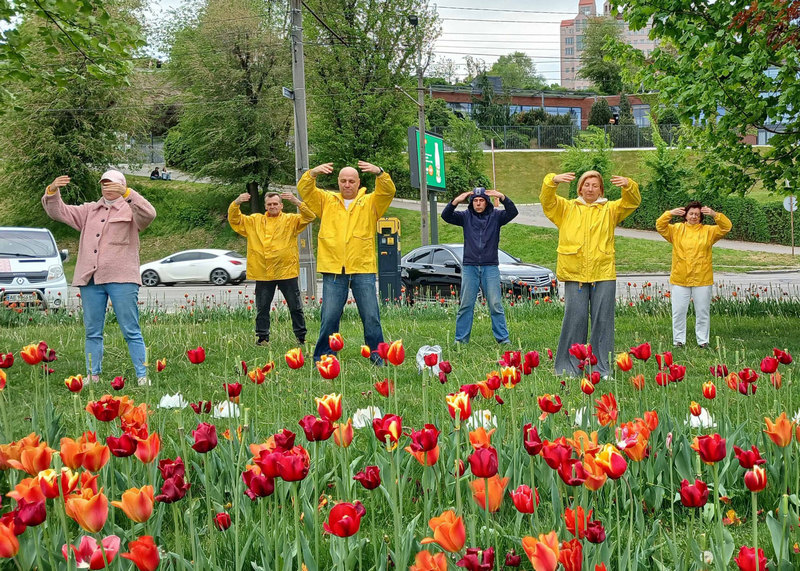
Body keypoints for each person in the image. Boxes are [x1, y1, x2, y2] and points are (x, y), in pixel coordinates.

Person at [43, 170, 156, 385]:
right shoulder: (89, 210)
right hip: (91, 279)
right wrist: (52, 190)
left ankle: (142, 376)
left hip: (122, 278)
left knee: (131, 329)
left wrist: (128, 193)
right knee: (92, 330)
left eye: (112, 183)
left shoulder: (131, 209)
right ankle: (92, 375)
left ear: (122, 185)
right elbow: (59, 212)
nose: (107, 187)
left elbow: (149, 214)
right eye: (104, 183)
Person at [541, 171, 641, 377]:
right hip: (574, 272)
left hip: (602, 272)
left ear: (601, 190)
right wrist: (552, 181)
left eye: (595, 185)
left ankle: (601, 368)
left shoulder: (610, 209)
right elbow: (547, 201)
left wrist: (629, 184)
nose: (590, 189)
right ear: (580, 188)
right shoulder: (566, 208)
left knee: (602, 321)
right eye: (587, 184)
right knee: (574, 319)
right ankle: (569, 368)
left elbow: (632, 203)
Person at [297, 161, 395, 364]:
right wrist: (313, 173)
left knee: (371, 316)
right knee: (329, 317)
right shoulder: (326, 200)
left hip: (362, 267)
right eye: (343, 181)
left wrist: (380, 172)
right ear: (338, 182)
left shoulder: (371, 202)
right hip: (333, 268)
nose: (347, 184)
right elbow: (305, 190)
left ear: (359, 183)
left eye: (351, 181)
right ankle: (324, 358)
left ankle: (378, 357)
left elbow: (387, 192)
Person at [228, 191, 315, 346]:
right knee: (262, 308)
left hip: (286, 271)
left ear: (281, 205)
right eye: (269, 204)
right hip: (263, 273)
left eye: (275, 204)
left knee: (295, 307)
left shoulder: (291, 220)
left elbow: (309, 216)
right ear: (265, 206)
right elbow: (235, 219)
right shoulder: (254, 221)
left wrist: (296, 201)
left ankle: (301, 337)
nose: (272, 206)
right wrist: (237, 202)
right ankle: (262, 338)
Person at [441, 187, 518, 344]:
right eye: (475, 201)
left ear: (486, 202)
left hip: (490, 267)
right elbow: (446, 216)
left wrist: (502, 196)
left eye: (481, 200)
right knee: (466, 305)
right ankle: (460, 340)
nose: (478, 203)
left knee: (495, 304)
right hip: (470, 267)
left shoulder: (496, 216)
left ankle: (503, 339)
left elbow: (513, 212)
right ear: (471, 203)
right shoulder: (465, 216)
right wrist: (456, 200)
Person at [656, 201, 731, 348]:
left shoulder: (708, 231)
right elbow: (660, 225)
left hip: (702, 278)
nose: (694, 216)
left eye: (697, 214)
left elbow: (726, 227)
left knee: (702, 312)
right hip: (680, 278)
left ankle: (703, 341)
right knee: (678, 312)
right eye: (691, 213)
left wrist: (715, 214)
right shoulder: (676, 229)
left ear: (701, 216)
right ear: (685, 215)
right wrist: (670, 213)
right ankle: (678, 341)